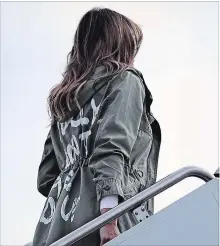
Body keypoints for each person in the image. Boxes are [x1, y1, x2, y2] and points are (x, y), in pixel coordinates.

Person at [32, 7, 161, 246]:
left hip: (56, 227)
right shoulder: (125, 80)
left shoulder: (65, 98)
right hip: (107, 220)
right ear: (121, 46)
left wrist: (73, 191)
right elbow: (112, 148)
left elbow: (46, 177)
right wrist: (109, 221)